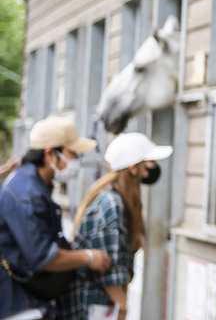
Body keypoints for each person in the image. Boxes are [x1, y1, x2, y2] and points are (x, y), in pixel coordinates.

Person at [0, 116, 112, 320]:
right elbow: (43, 258)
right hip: (19, 306)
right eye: (73, 153)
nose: (77, 160)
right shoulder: (27, 194)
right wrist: (89, 257)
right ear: (50, 154)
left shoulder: (32, 184)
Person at [58, 132, 172, 320]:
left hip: (102, 306)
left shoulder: (122, 202)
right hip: (90, 306)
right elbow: (106, 267)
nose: (151, 169)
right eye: (148, 162)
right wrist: (123, 307)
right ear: (134, 169)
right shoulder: (111, 204)